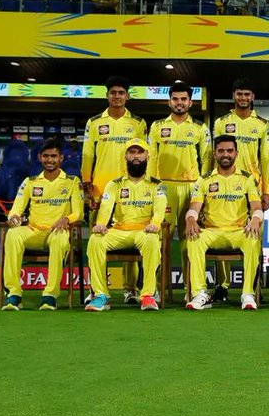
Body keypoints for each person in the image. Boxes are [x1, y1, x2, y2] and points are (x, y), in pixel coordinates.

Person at [81, 77, 148, 305]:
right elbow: (88, 155)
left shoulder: (138, 123)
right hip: (100, 190)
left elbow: (142, 156)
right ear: (107, 95)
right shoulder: (94, 122)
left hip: (129, 189)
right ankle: (97, 290)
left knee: (130, 233)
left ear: (127, 96)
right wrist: (87, 185)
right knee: (97, 239)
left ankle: (130, 289)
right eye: (113, 93)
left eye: (121, 92)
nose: (117, 96)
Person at [84, 140, 166, 312]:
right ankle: (101, 295)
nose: (136, 156)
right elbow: (106, 207)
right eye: (132, 152)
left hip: (143, 231)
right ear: (126, 156)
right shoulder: (114, 184)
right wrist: (100, 224)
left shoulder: (157, 184)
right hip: (119, 230)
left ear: (147, 156)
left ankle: (147, 296)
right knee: (95, 240)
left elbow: (160, 209)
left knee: (152, 240)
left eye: (140, 152)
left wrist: (155, 224)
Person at [0, 140, 83, 312]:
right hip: (33, 230)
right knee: (13, 235)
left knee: (60, 239)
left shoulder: (72, 182)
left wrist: (66, 219)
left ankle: (50, 296)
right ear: (39, 157)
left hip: (56, 232)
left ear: (61, 158)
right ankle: (14, 294)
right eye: (46, 156)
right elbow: (16, 208)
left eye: (54, 156)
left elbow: (79, 213)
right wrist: (14, 217)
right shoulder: (30, 182)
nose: (49, 160)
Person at [184, 136, 265, 311]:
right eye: (221, 151)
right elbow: (194, 207)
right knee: (193, 238)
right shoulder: (204, 180)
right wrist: (190, 219)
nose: (225, 154)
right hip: (212, 232)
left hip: (239, 232)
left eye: (229, 150)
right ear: (215, 154)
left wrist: (256, 219)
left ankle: (248, 294)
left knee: (253, 238)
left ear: (236, 153)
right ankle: (200, 293)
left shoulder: (247, 179)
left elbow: (257, 206)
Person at [146, 82, 211, 296]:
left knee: (189, 238)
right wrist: (152, 188)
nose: (179, 103)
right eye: (175, 99)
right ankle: (158, 289)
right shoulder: (156, 127)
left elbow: (207, 162)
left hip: (191, 188)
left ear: (190, 102)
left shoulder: (200, 128)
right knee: (159, 239)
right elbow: (151, 159)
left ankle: (190, 288)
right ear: (169, 101)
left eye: (183, 99)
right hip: (163, 188)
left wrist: (201, 191)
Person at [211, 78, 269, 302]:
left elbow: (265, 159)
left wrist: (266, 191)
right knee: (222, 227)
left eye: (247, 94)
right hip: (225, 184)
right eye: (239, 94)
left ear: (252, 97)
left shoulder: (262, 124)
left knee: (255, 236)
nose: (243, 98)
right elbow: (214, 155)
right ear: (233, 96)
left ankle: (255, 286)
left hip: (253, 187)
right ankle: (222, 285)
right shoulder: (221, 122)